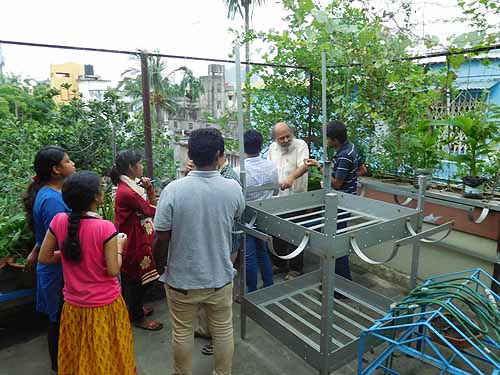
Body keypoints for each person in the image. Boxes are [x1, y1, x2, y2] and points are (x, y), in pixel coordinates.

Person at [154, 128, 245, 375]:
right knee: (223, 330)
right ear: (219, 155)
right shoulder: (233, 189)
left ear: (190, 155)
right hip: (220, 276)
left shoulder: (173, 190)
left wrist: (160, 268)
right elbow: (237, 215)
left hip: (181, 279)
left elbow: (161, 238)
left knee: (182, 331)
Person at [38, 171, 136, 375]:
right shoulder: (104, 227)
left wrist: (68, 254)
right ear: (97, 197)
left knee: (79, 355)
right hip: (104, 307)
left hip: (73, 306)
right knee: (106, 355)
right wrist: (119, 246)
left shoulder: (58, 221)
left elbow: (44, 257)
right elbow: (113, 270)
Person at [22, 146, 75, 373]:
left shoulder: (46, 193)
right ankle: (60, 365)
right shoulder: (54, 201)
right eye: (68, 161)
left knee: (57, 318)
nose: (73, 164)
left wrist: (35, 251)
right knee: (60, 320)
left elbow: (45, 234)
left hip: (51, 265)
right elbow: (59, 241)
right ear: (56, 170)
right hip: (57, 269)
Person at [305, 120, 367, 281]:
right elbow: (362, 170)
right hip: (347, 199)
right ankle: (336, 280)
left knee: (335, 244)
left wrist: (318, 166)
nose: (326, 141)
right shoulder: (351, 148)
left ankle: (340, 284)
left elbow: (336, 182)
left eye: (327, 138)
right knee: (337, 240)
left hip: (340, 203)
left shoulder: (344, 155)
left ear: (334, 140)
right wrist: (349, 177)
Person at [110, 150, 163, 331]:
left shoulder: (128, 187)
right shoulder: (129, 193)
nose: (142, 166)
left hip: (132, 236)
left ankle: (135, 309)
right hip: (133, 241)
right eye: (140, 163)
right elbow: (149, 210)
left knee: (134, 278)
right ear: (131, 167)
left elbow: (145, 209)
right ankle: (137, 316)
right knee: (138, 280)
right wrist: (167, 208)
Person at [237, 129, 278, 292]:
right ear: (261, 146)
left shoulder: (238, 171)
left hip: (247, 218)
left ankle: (251, 290)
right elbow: (275, 190)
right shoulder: (272, 167)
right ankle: (269, 284)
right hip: (266, 215)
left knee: (249, 255)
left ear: (243, 147)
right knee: (263, 250)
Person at [267, 122, 310, 279]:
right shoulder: (272, 148)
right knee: (276, 232)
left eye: (287, 136)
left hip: (295, 198)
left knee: (295, 233)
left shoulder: (300, 145)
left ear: (292, 133)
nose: (285, 140)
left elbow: (305, 165)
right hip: (277, 198)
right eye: (281, 138)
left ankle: (296, 268)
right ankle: (279, 264)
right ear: (275, 139)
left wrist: (291, 177)